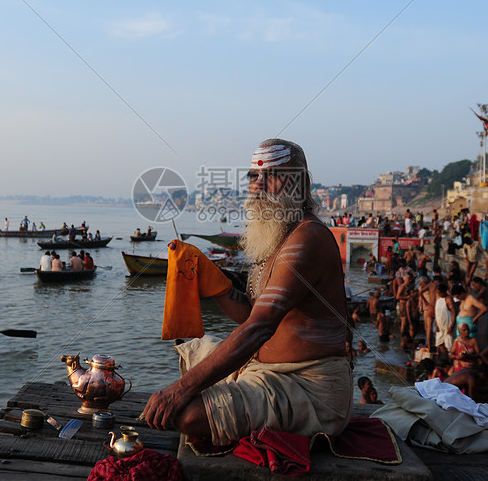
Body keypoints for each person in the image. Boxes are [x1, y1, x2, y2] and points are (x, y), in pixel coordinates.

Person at [143, 139, 352, 446]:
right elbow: (250, 315)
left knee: (187, 414)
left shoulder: (308, 238)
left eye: (275, 175)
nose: (260, 185)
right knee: (195, 355)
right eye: (254, 176)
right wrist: (214, 281)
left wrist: (181, 389)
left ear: (301, 184)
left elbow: (259, 327)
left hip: (309, 388)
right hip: (264, 372)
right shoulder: (278, 236)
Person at [434, 281, 456, 355]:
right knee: (439, 344)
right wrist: (436, 323)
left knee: (448, 345)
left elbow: (454, 313)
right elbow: (437, 313)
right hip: (440, 327)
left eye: (440, 292)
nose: (439, 294)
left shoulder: (448, 299)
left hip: (448, 327)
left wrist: (451, 326)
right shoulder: (438, 299)